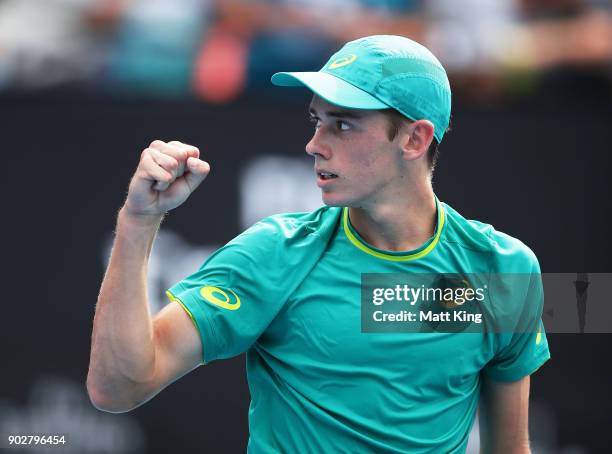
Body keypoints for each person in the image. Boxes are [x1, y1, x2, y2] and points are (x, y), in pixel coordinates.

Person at [87, 35, 550, 452]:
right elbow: (118, 388)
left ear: (414, 138)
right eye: (317, 120)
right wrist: (139, 220)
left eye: (343, 125)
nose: (314, 144)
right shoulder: (274, 252)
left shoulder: (506, 269)